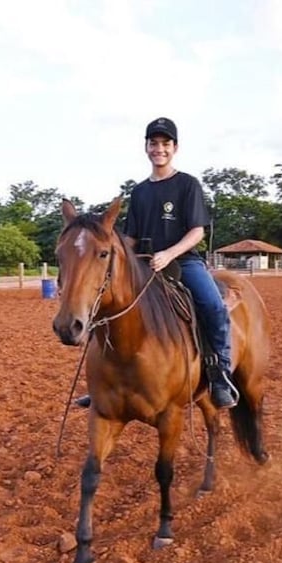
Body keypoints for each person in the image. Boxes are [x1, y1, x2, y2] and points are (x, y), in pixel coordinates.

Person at [75, 117, 239, 410]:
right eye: (154, 143)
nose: (159, 149)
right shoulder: (139, 192)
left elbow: (197, 231)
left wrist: (170, 253)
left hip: (183, 262)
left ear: (175, 148)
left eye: (165, 143)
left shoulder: (187, 184)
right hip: (143, 264)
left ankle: (219, 374)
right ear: (146, 148)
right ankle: (102, 382)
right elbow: (133, 238)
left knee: (213, 306)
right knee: (103, 305)